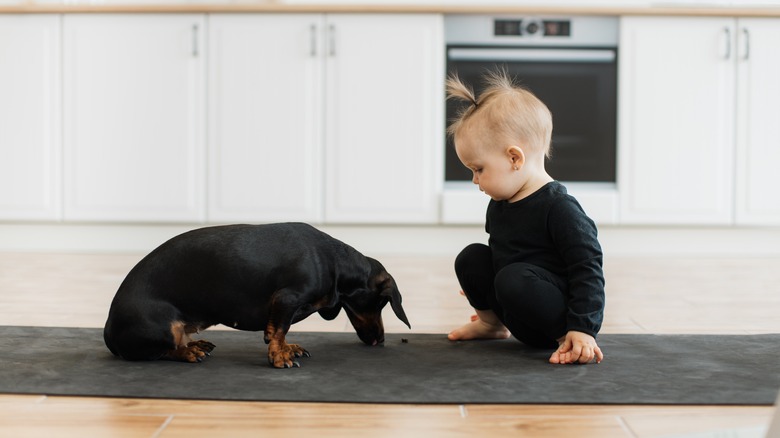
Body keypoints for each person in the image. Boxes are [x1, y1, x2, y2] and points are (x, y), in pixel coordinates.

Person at [446, 70, 605, 365]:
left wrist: (583, 327)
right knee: (472, 257)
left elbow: (588, 269)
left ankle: (565, 340)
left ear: (514, 158)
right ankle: (491, 325)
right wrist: (478, 284)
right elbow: (502, 254)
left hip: (553, 320)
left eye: (479, 169)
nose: (475, 180)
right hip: (515, 307)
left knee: (513, 277)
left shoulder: (560, 208)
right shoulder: (500, 203)